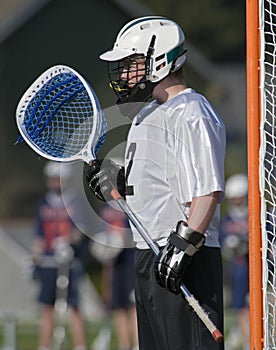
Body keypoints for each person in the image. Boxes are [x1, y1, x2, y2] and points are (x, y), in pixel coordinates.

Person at [86, 16, 226, 350]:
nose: (124, 73)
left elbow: (208, 189)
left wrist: (185, 244)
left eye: (132, 63)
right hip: (148, 252)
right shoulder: (148, 113)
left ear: (158, 60)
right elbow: (151, 184)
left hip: (184, 252)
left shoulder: (192, 111)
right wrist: (113, 180)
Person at [32, 161, 87, 350]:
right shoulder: (43, 203)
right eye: (53, 179)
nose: (55, 183)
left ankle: (80, 345)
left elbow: (81, 229)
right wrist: (34, 259)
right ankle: (44, 345)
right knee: (47, 307)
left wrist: (68, 241)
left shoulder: (75, 201)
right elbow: (39, 236)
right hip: (48, 261)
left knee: (73, 305)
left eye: (59, 179)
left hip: (68, 262)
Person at [91, 203, 139, 350]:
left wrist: (124, 240)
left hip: (131, 261)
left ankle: (138, 344)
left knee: (134, 305)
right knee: (119, 305)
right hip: (115, 264)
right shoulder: (105, 209)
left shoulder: (131, 203)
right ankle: (124, 344)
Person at [219, 173, 249, 350]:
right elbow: (224, 246)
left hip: (256, 270)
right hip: (236, 271)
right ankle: (247, 340)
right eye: (234, 198)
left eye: (240, 198)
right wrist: (231, 248)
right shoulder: (227, 220)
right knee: (239, 306)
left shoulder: (257, 215)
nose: (237, 201)